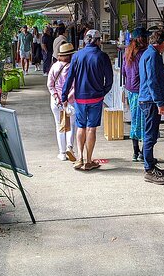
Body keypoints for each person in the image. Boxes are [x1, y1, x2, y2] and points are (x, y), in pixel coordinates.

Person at [61, 29, 113, 171]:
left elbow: (70, 77)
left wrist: (64, 95)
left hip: (80, 98)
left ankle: (79, 159)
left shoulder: (77, 56)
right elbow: (109, 79)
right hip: (96, 98)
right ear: (97, 41)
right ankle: (89, 161)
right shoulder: (102, 56)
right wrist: (103, 91)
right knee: (91, 128)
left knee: (80, 126)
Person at [138, 29, 164, 185]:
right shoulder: (152, 56)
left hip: (148, 99)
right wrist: (160, 103)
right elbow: (152, 81)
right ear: (162, 43)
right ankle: (149, 170)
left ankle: (150, 164)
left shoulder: (148, 53)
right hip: (150, 101)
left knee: (151, 133)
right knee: (150, 135)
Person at [122, 27, 149, 162]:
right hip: (143, 91)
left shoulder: (127, 52)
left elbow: (124, 72)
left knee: (135, 121)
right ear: (142, 39)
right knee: (145, 122)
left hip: (131, 91)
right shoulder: (145, 53)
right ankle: (144, 153)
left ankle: (135, 152)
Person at [47, 43, 77, 161]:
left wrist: (56, 97)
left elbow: (50, 84)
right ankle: (70, 147)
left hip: (56, 102)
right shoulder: (73, 68)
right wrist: (67, 98)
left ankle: (62, 153)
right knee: (71, 125)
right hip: (70, 101)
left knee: (60, 126)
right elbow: (75, 86)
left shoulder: (54, 67)